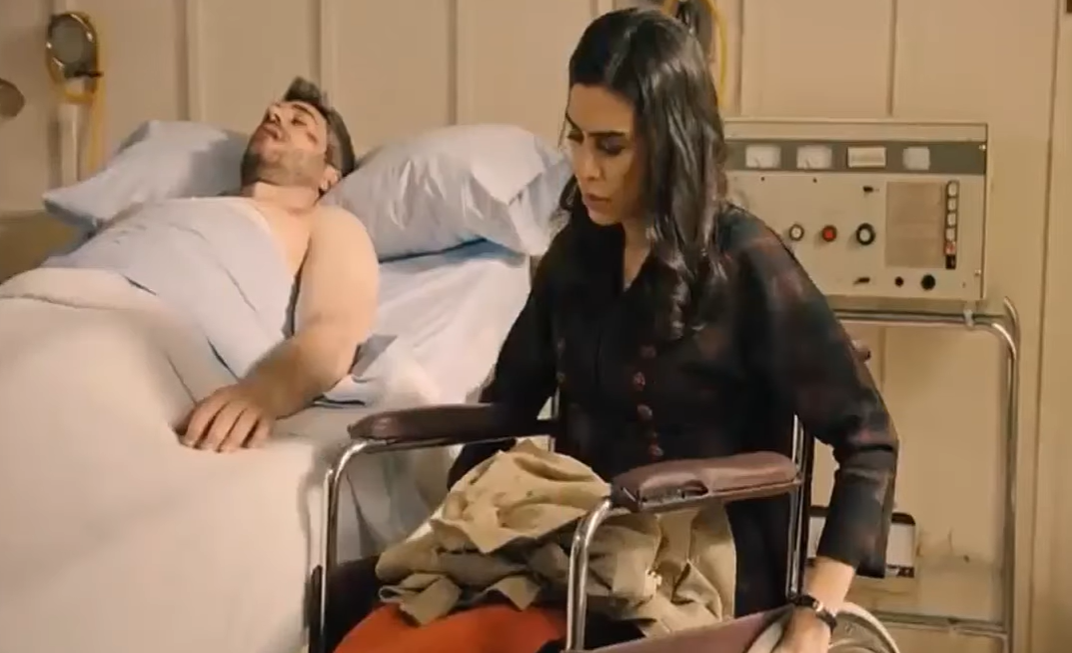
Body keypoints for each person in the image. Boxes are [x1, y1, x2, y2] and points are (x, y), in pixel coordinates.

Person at [443, 8, 899, 653]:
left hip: (700, 575)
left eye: (610, 146)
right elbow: (508, 404)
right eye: (575, 138)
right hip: (585, 555)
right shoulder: (577, 254)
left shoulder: (742, 260)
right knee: (399, 628)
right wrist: (447, 536)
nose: (585, 167)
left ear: (671, 143)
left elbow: (870, 440)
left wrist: (816, 613)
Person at [58, 77, 377, 453]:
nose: (274, 115)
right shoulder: (162, 209)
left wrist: (261, 393)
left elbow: (334, 330)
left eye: (299, 121)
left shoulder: (326, 223)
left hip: (139, 346)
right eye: (273, 113)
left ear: (329, 176)